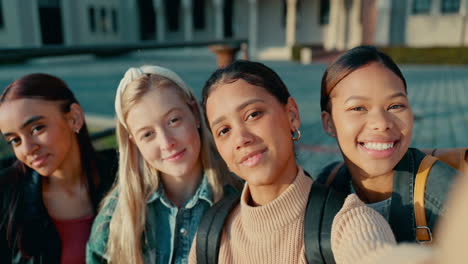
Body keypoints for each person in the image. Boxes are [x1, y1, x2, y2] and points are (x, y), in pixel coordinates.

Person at [188, 60, 395, 263]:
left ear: (292, 115)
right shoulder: (210, 235)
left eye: (253, 114)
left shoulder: (348, 224)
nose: (241, 139)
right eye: (224, 130)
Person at [86, 65, 241, 264]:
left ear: (194, 112)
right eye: (148, 134)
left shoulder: (239, 195)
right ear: (135, 143)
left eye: (173, 120)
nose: (167, 143)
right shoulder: (116, 216)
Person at [318, 45, 459, 243]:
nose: (382, 124)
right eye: (358, 108)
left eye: (395, 106)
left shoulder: (450, 198)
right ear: (329, 123)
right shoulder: (327, 186)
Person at [0, 73, 117, 264]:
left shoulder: (126, 177)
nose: (27, 149)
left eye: (37, 128)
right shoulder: (6, 196)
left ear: (74, 118)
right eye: (15, 140)